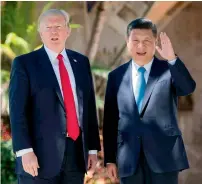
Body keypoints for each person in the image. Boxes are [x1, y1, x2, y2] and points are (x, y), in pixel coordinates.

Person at [9, 9, 101, 184]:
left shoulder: (81, 62)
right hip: (38, 157)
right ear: (40, 32)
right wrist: (24, 151)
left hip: (76, 155)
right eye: (48, 27)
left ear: (68, 30)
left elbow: (88, 107)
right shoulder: (24, 64)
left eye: (58, 26)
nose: (54, 31)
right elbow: (17, 111)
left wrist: (92, 150)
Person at [103, 18, 196, 184]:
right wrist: (110, 159)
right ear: (127, 42)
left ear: (155, 42)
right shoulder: (115, 76)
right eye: (135, 41)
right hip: (129, 159)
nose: (141, 46)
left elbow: (187, 88)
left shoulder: (168, 70)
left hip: (164, 157)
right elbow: (110, 121)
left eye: (147, 41)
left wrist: (172, 59)